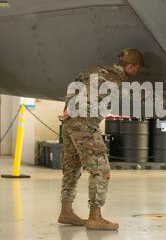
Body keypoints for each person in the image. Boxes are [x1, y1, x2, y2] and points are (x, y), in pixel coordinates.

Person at [58, 48, 144, 230]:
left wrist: (67, 106)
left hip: (70, 122)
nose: (139, 71)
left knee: (72, 166)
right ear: (130, 66)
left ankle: (66, 212)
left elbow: (74, 84)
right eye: (138, 68)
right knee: (101, 168)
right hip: (85, 124)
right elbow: (142, 97)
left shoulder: (95, 70)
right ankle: (95, 217)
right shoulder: (119, 81)